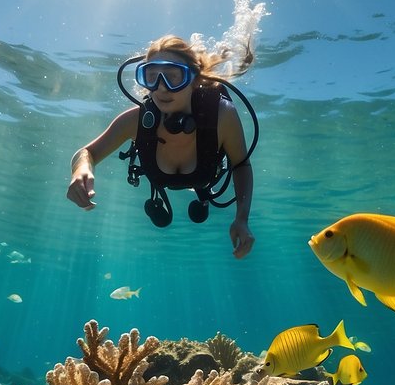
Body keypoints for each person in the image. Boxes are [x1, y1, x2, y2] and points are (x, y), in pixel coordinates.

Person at [67, 35, 256, 259]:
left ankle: (203, 197)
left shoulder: (221, 115)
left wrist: (242, 218)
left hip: (206, 176)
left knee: (202, 197)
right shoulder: (136, 120)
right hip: (160, 181)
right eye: (152, 77)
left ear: (193, 80)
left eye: (173, 77)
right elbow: (86, 153)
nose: (161, 89)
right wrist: (81, 171)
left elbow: (241, 164)